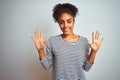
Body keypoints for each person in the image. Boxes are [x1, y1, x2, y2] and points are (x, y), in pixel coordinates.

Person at [31, 3, 104, 80]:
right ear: (58, 24)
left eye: (69, 21)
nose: (65, 25)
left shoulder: (84, 42)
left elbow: (87, 68)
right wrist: (40, 50)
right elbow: (47, 66)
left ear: (74, 21)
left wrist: (94, 51)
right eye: (61, 22)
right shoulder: (52, 41)